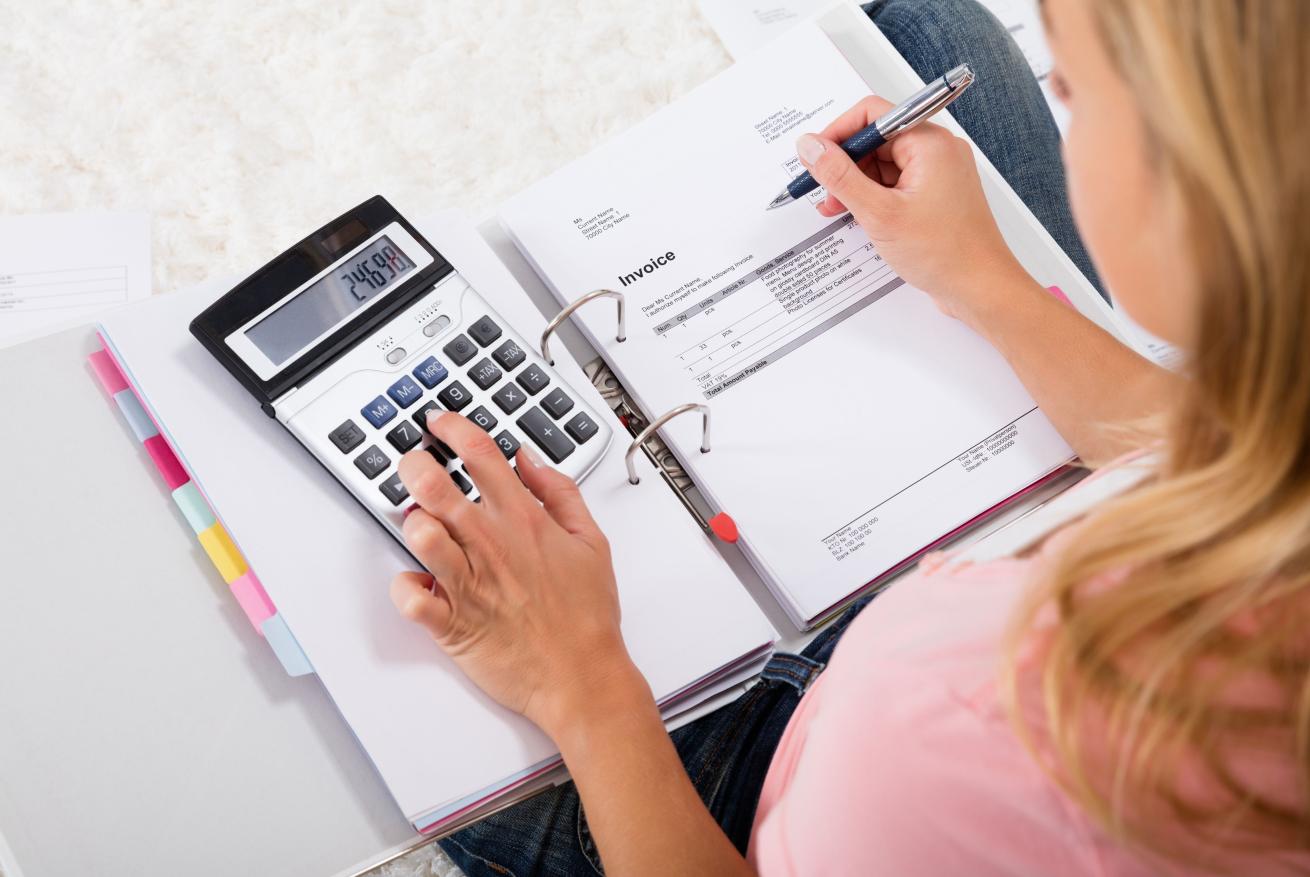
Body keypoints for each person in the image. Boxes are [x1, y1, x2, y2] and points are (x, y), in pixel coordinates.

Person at [389, 0, 1310, 872]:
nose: (1057, 98)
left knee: (428, 734)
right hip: (953, 705)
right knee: (928, 23)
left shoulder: (972, 711)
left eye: (1072, 88)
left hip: (767, 793)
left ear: (1202, 178)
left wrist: (581, 683)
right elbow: (1215, 461)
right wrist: (985, 279)